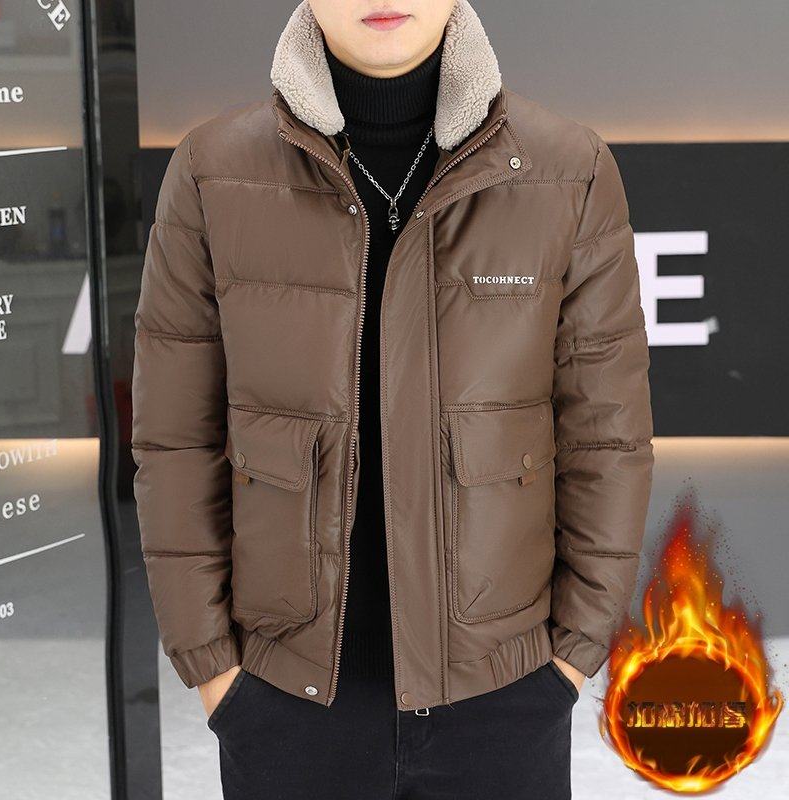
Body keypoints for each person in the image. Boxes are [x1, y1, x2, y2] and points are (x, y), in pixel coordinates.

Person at [131, 1, 654, 798]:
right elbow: (175, 441)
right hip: (284, 701)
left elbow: (606, 437)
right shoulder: (213, 172)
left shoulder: (568, 170)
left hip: (504, 697)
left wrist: (570, 659)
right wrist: (215, 672)